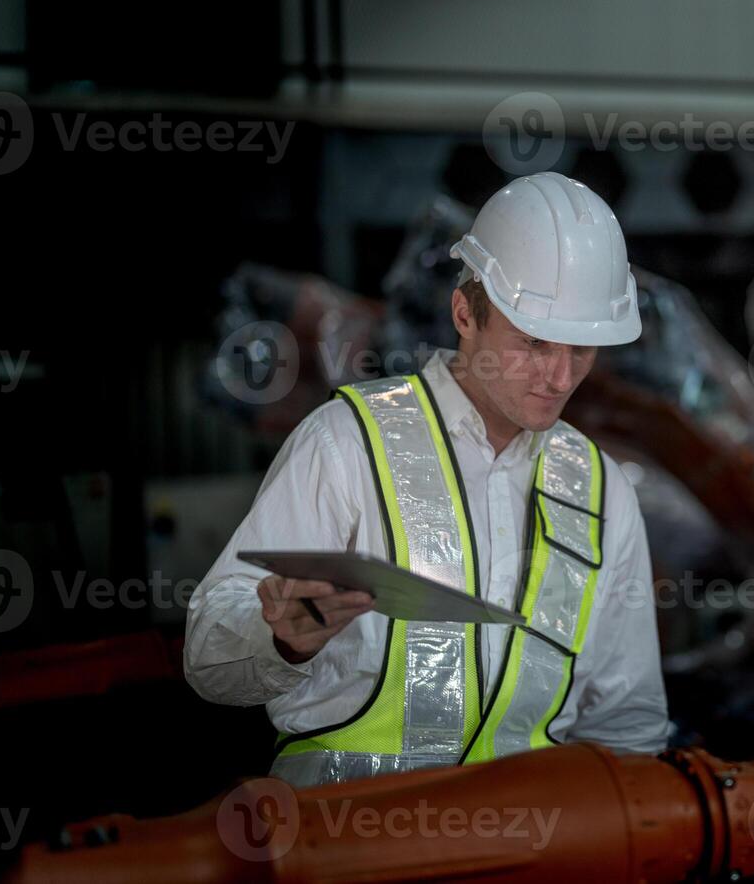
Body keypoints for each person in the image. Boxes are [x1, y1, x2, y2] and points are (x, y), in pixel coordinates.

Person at [185, 172, 669, 787]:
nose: (560, 375)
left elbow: (629, 723)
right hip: (344, 841)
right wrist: (279, 639)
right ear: (465, 313)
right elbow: (206, 662)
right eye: (535, 342)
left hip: (531, 851)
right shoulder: (346, 442)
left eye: (583, 349)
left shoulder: (602, 492)